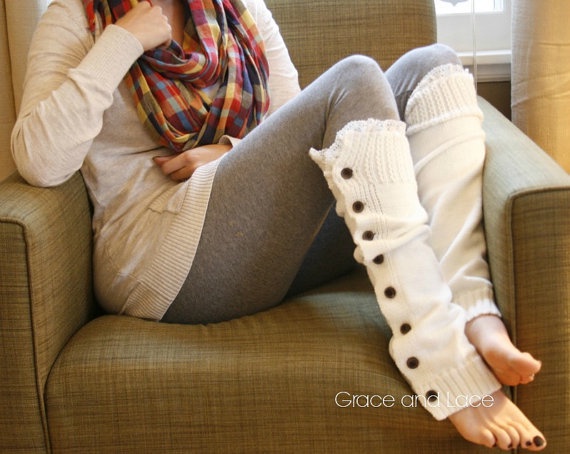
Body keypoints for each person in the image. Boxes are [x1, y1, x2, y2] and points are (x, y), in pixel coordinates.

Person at [11, 0, 546, 450]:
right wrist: (124, 40)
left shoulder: (237, 10)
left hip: (265, 240)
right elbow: (40, 159)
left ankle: (472, 308)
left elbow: (291, 119)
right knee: (355, 77)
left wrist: (230, 150)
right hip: (162, 260)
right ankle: (441, 357)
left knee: (432, 65)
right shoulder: (76, 18)